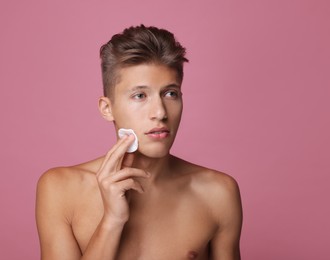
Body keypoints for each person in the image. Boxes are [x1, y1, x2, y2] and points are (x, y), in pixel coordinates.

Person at [36, 25, 242, 260]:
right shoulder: (60, 189)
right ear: (107, 108)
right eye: (140, 96)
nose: (160, 112)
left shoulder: (218, 193)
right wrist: (112, 221)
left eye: (170, 93)